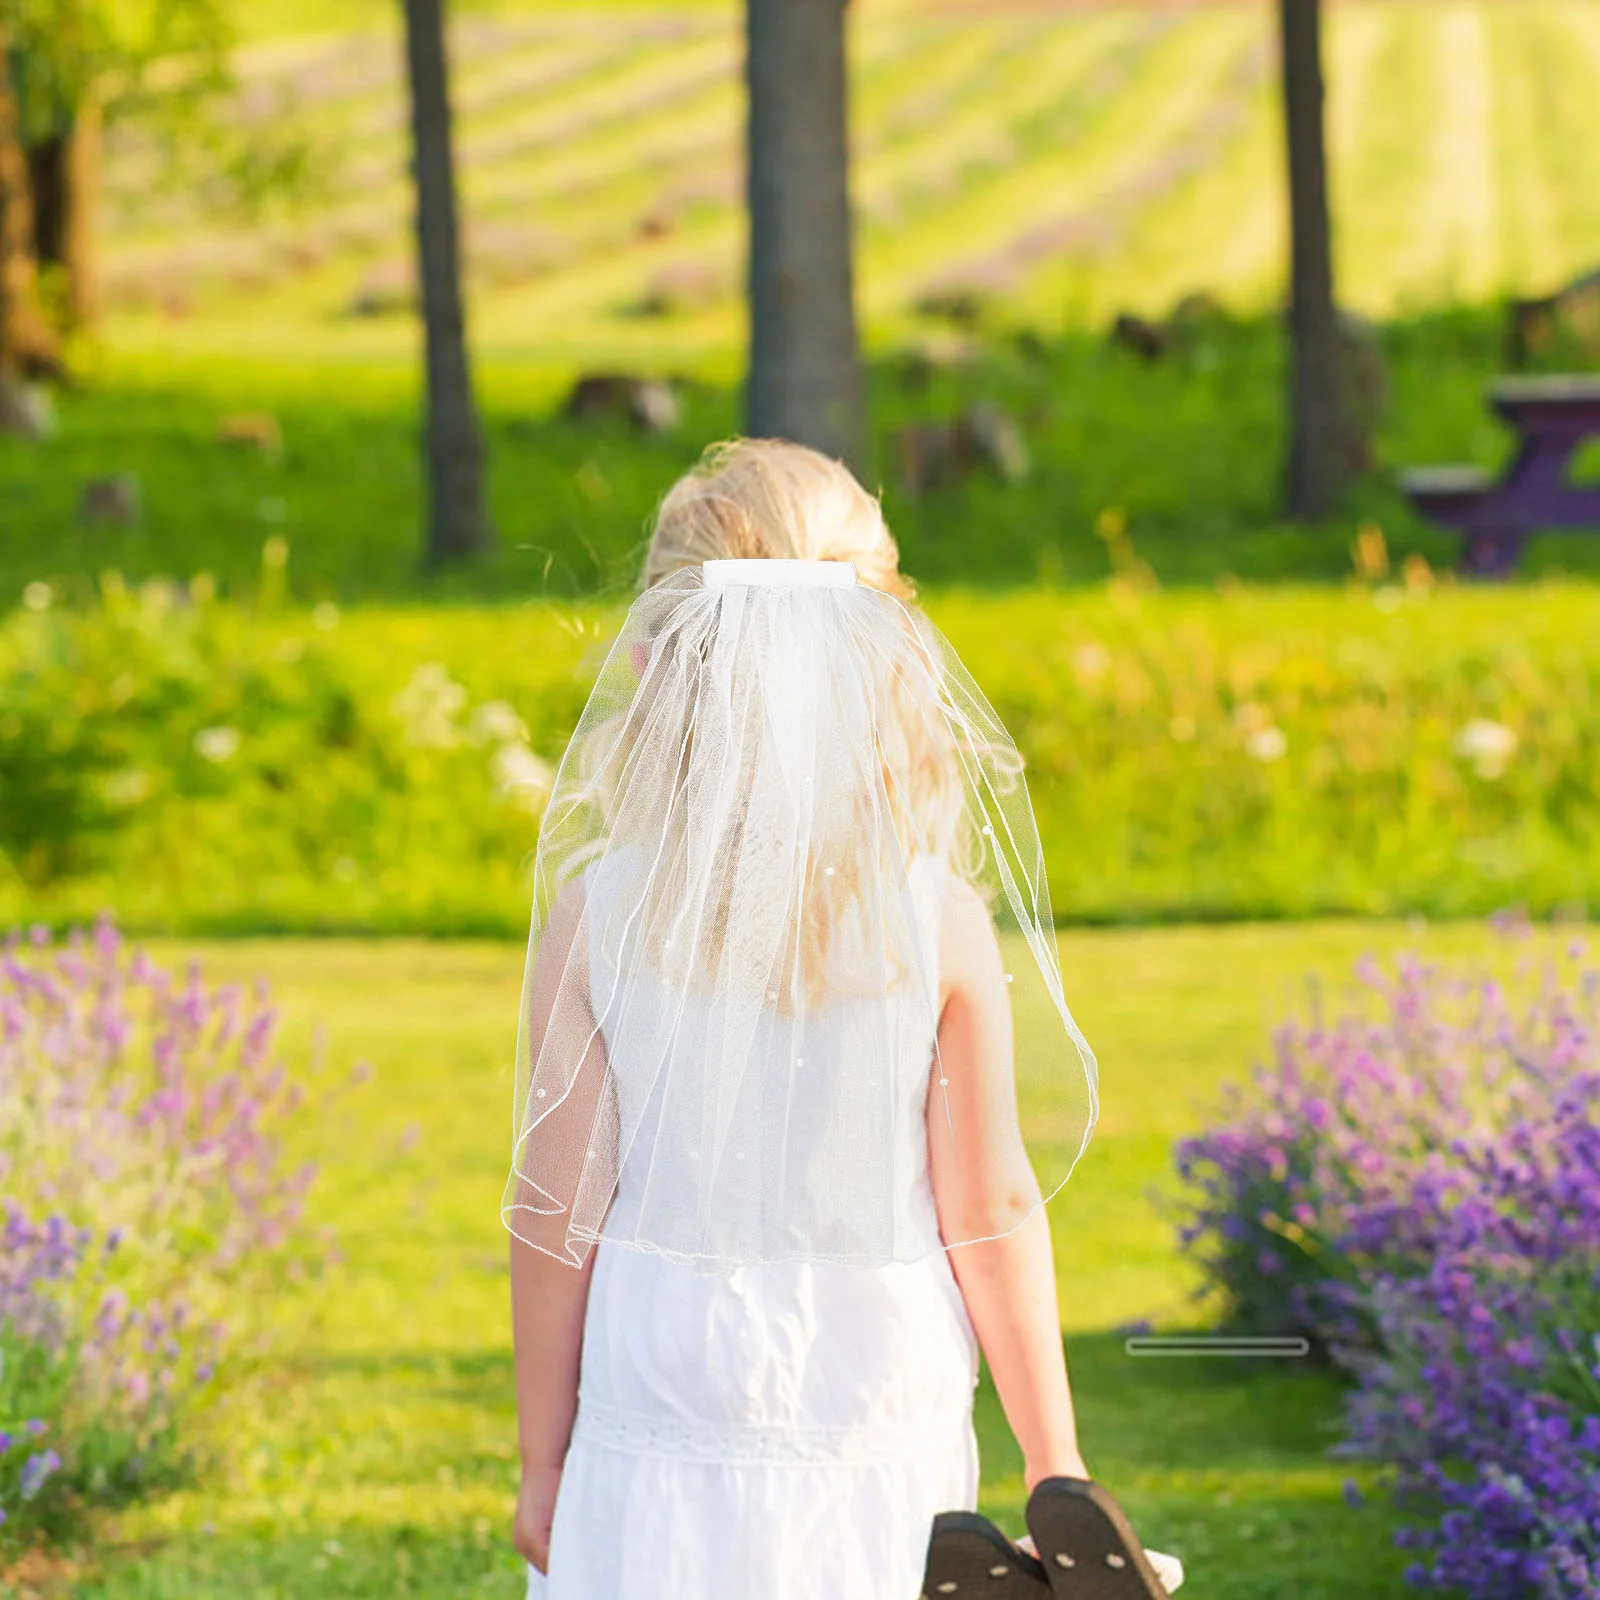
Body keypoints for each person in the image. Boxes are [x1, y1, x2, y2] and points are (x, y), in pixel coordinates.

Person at [503, 440, 1177, 1600]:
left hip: (666, 1363)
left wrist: (539, 1456)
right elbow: (991, 1202)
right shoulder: (932, 918)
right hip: (877, 1359)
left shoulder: (601, 914)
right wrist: (1054, 1460)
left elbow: (555, 1209)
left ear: (665, 660)